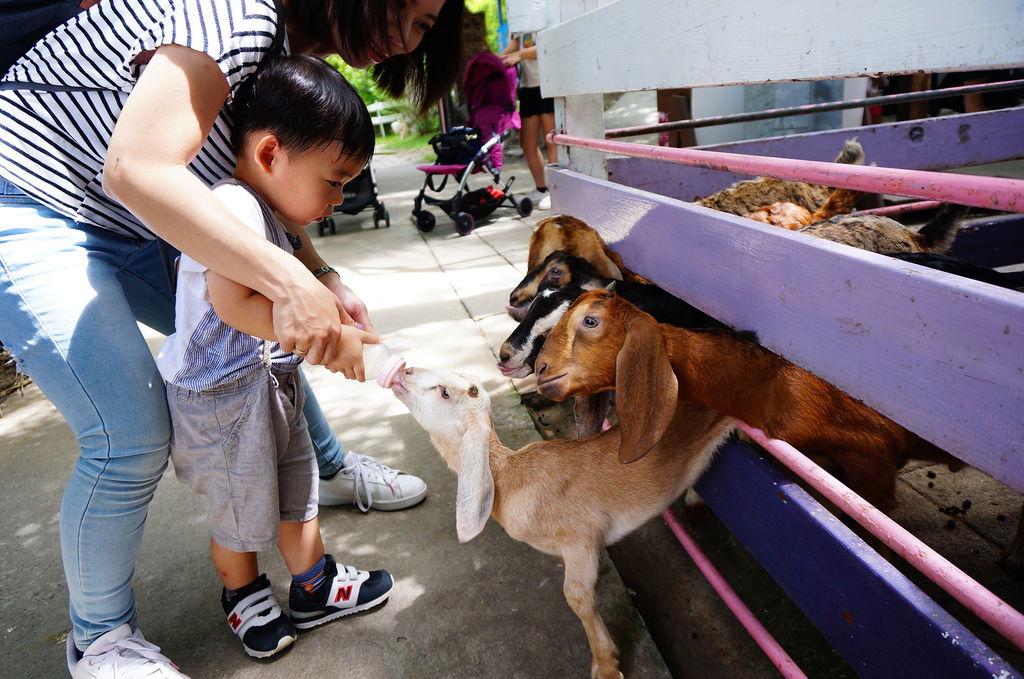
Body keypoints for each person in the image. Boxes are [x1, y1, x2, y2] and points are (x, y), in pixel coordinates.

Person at [0, 0, 463, 676]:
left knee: (259, 346)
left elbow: (258, 185)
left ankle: (327, 471)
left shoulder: (283, 58)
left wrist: (321, 275)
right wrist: (288, 280)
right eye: (418, 21)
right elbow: (136, 168)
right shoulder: (240, 14)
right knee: (127, 432)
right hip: (31, 189)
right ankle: (100, 641)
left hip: (122, 214)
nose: (407, 46)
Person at [159, 53, 392, 660]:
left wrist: (333, 305)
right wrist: (327, 341)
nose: (339, 200)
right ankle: (243, 593)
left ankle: (314, 587)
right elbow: (234, 305)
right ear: (270, 155)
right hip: (218, 397)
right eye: (335, 181)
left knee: (298, 485)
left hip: (266, 382)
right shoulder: (234, 208)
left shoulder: (278, 214)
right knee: (240, 507)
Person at [500, 31, 557, 211]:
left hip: (548, 83)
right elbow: (514, 46)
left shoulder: (543, 12)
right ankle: (542, 189)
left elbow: (549, 47)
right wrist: (495, 59)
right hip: (527, 88)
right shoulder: (519, 21)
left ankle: (556, 192)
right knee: (527, 143)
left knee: (552, 140)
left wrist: (519, 55)